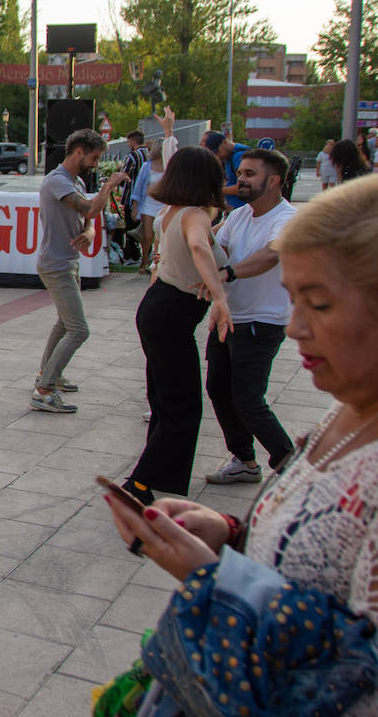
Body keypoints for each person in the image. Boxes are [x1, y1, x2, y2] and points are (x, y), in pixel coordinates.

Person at [103, 174, 378, 717]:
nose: (295, 327)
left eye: (318, 304)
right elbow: (314, 565)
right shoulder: (346, 410)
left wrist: (218, 583)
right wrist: (231, 537)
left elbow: (360, 674)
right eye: (292, 300)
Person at [122, 145, 232, 505]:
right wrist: (220, 297)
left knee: (166, 401)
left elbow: (191, 249)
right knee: (182, 406)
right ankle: (138, 485)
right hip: (171, 314)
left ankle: (163, 478)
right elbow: (199, 248)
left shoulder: (174, 211)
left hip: (159, 309)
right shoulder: (195, 215)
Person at [201, 149, 297, 486]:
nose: (240, 179)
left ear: (273, 181)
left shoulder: (287, 219)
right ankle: (244, 460)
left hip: (262, 321)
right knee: (218, 389)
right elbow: (214, 244)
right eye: (240, 172)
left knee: (247, 399)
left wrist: (226, 274)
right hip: (230, 317)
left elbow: (271, 256)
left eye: (249, 174)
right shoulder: (241, 216)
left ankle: (291, 465)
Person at [31, 129, 130, 414]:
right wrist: (108, 187)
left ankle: (46, 375)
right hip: (56, 265)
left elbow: (87, 218)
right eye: (95, 157)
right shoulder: (57, 181)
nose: (96, 163)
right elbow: (89, 208)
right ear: (78, 153)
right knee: (79, 330)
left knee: (64, 324)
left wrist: (87, 232)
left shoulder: (71, 181)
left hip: (67, 261)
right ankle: (44, 390)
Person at [129, 139, 167, 274]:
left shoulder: (170, 166)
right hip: (149, 205)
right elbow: (138, 188)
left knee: (163, 235)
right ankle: (144, 261)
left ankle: (159, 262)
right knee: (148, 236)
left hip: (165, 205)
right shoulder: (147, 166)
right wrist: (134, 207)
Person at [203, 130, 248, 211]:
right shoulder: (230, 156)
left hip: (241, 208)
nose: (218, 155)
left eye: (218, 151)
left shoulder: (238, 156)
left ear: (224, 142)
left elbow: (243, 187)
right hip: (236, 208)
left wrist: (218, 189)